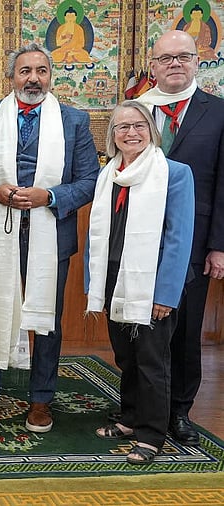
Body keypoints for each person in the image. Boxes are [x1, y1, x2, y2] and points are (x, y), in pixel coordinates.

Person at [0, 43, 99, 433]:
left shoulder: (74, 121)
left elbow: (89, 180)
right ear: (11, 78)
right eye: (25, 71)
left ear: (50, 76)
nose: (33, 78)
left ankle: (41, 399)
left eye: (41, 71)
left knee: (47, 319)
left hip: (50, 235)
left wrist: (52, 196)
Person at [88, 101, 194, 465]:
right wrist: (95, 282)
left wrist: (165, 293)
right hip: (115, 277)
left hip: (153, 282)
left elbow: (180, 238)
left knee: (152, 359)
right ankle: (130, 418)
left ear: (151, 130)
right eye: (122, 127)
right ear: (112, 136)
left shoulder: (174, 173)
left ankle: (152, 435)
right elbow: (96, 234)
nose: (131, 133)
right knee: (126, 356)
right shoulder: (109, 175)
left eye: (139, 126)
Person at [137, 30, 224, 446]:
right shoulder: (137, 110)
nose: (175, 64)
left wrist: (219, 245)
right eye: (166, 58)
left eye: (183, 56)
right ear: (152, 66)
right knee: (139, 324)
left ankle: (179, 411)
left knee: (185, 328)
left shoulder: (218, 113)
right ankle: (140, 404)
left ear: (196, 62)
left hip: (193, 239)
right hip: (138, 235)